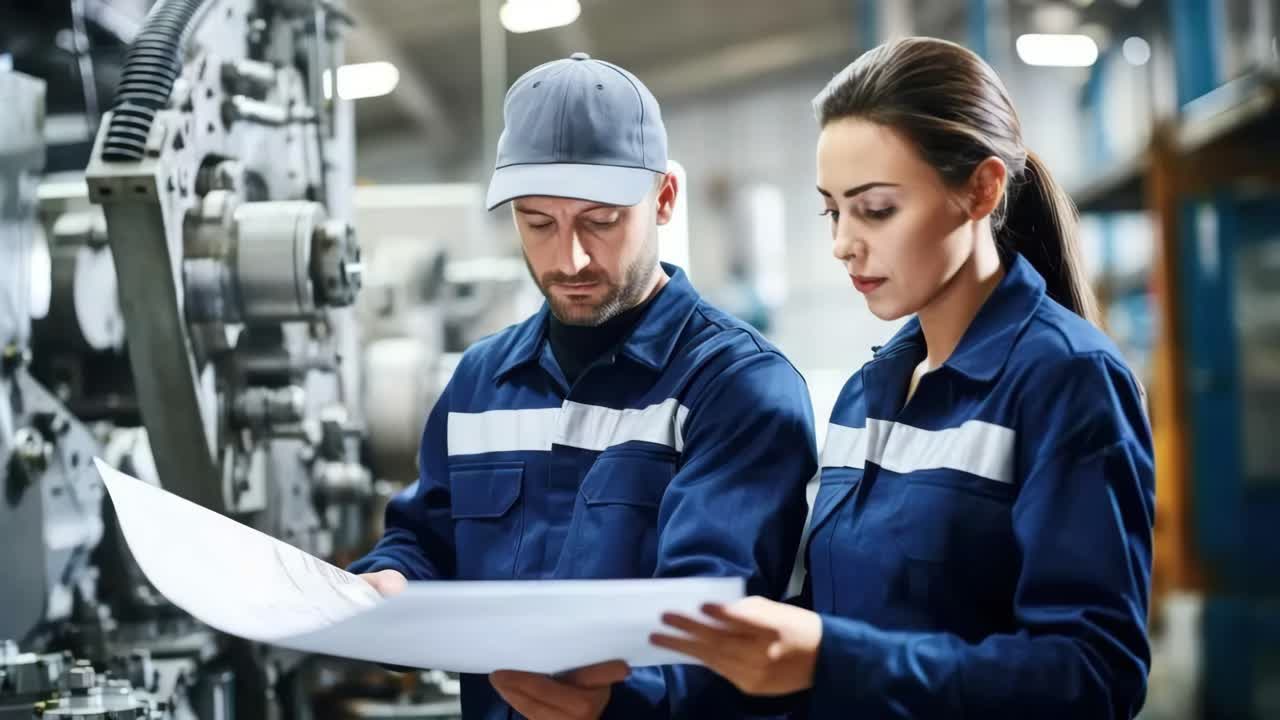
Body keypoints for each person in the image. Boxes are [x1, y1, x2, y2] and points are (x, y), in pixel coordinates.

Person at [652, 36, 1155, 720]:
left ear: (980, 189)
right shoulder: (869, 393)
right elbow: (831, 622)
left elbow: (1093, 676)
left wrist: (836, 660)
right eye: (833, 209)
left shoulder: (1066, 382)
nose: (843, 243)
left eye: (877, 208)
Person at [348, 52, 818, 720]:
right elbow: (427, 536)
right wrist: (391, 584)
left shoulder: (736, 387)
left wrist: (610, 701)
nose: (567, 258)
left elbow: (717, 620)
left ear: (663, 199)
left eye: (600, 221)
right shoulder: (482, 380)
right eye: (538, 223)